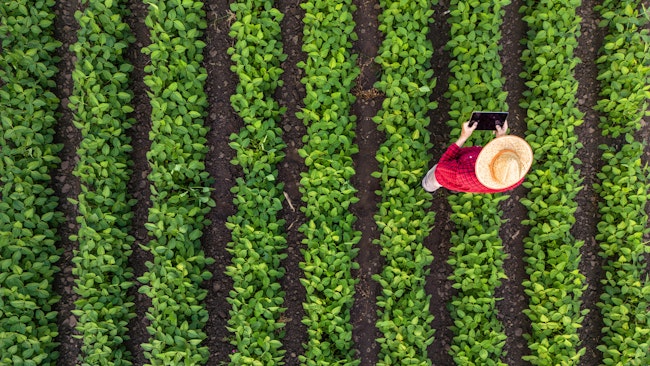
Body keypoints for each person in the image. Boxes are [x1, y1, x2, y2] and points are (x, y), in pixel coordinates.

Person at [421, 120, 533, 194]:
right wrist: (500, 138)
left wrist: (463, 137)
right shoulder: (514, 177)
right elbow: (503, 162)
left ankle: (428, 187)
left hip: (449, 175)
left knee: (434, 179)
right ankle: (454, 189)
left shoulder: (461, 173)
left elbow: (441, 166)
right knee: (460, 185)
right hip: (466, 183)